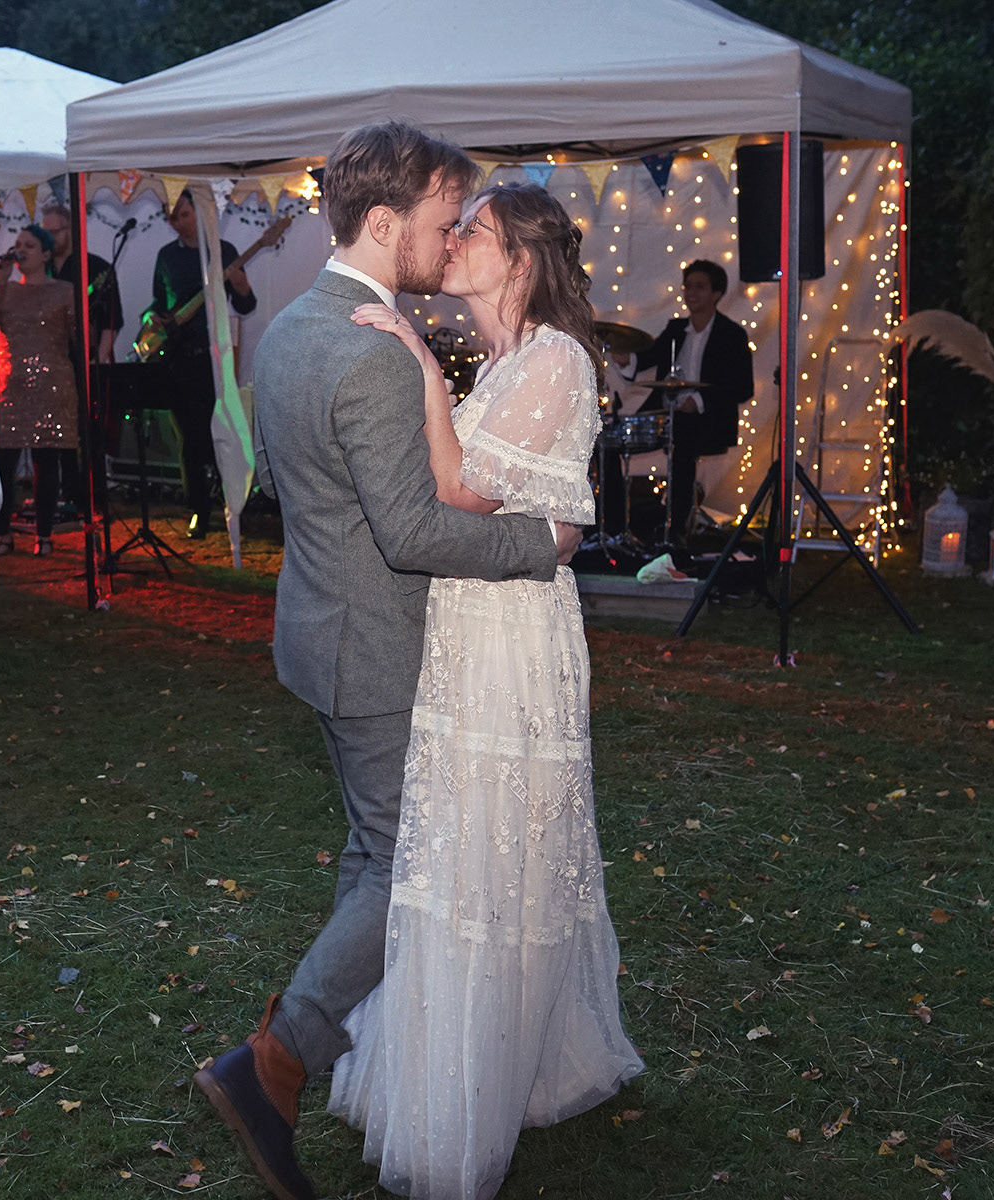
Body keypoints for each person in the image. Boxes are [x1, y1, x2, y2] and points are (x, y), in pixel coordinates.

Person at [191, 122, 584, 1200]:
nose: (450, 238)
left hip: (321, 635)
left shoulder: (291, 328)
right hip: (374, 649)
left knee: (374, 853)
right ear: (382, 221)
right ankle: (275, 1060)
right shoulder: (368, 352)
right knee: (408, 867)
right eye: (442, 219)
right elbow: (411, 531)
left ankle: (335, 1042)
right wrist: (541, 545)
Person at [330, 182, 644, 1199]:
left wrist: (421, 368)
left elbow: (460, 490)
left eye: (476, 231)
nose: (456, 240)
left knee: (496, 845)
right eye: (457, 227)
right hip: (468, 622)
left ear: (521, 260)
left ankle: (487, 1081)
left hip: (513, 639)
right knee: (458, 839)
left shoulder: (554, 359)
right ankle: (477, 1062)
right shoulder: (506, 362)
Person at [602, 258, 755, 555]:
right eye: (687, 286)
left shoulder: (732, 334)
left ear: (716, 293)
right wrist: (626, 358)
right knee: (610, 443)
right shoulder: (676, 328)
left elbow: (742, 388)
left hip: (708, 420)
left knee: (683, 443)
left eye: (699, 287)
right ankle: (615, 528)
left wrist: (698, 401)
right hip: (666, 414)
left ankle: (676, 530)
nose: (690, 293)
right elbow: (650, 356)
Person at [149, 189, 257, 538]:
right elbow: (158, 303)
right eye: (172, 217)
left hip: (215, 359)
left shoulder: (223, 251)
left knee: (222, 433)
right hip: (178, 361)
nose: (178, 222)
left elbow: (246, 305)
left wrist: (241, 286)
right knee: (189, 438)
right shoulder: (166, 256)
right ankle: (197, 508)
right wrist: (154, 318)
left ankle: (231, 501)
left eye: (183, 214)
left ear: (198, 212)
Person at [0, 224, 76, 557]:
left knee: (46, 463)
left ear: (46, 254)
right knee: (2, 465)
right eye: (18, 244)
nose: (20, 250)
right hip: (12, 388)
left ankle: (44, 535)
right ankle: (3, 534)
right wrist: (0, 280)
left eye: (30, 245)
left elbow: (80, 336)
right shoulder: (5, 290)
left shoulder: (64, 291)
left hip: (52, 386)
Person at [40, 202, 124, 521]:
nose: (49, 238)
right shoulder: (42, 272)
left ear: (71, 231)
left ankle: (94, 498)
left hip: (86, 364)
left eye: (55, 232)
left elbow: (111, 323)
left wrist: (96, 364)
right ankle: (67, 495)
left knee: (90, 435)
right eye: (44, 232)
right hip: (51, 364)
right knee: (57, 434)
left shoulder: (97, 268)